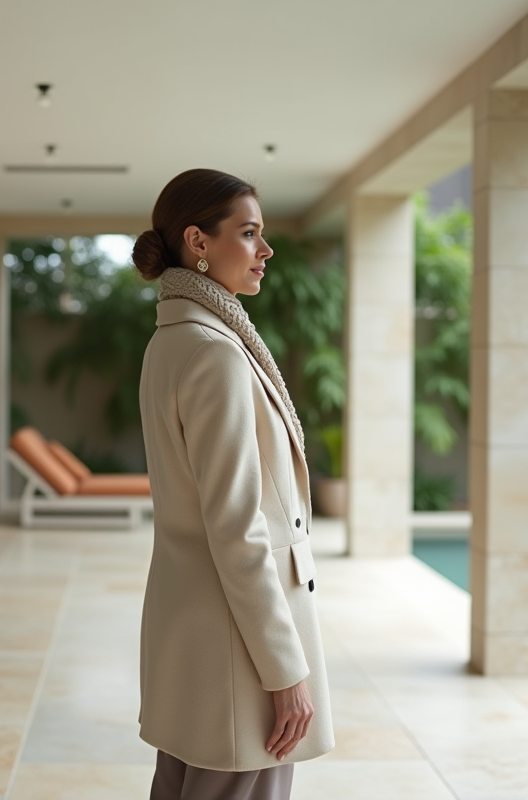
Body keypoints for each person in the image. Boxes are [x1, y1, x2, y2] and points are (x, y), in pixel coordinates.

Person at [134, 169, 334, 799]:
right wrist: (284, 669)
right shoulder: (215, 352)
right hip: (239, 644)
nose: (265, 251)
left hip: (198, 628)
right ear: (198, 241)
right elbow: (237, 526)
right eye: (249, 234)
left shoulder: (171, 342)